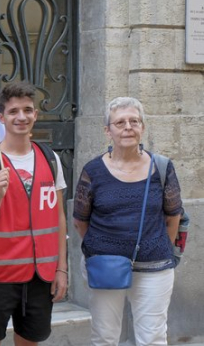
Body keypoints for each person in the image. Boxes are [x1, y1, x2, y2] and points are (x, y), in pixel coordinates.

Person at [73, 96, 182, 346]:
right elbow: (81, 220)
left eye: (134, 121)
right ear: (107, 131)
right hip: (105, 267)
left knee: (152, 337)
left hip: (155, 268)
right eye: (120, 122)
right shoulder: (94, 170)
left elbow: (172, 215)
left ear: (142, 127)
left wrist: (158, 245)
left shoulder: (162, 167)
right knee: (104, 336)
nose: (128, 127)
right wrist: (103, 248)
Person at [0, 81, 68, 346]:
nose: (21, 117)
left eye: (27, 110)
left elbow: (58, 218)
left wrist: (62, 269)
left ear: (36, 114)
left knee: (29, 341)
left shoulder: (50, 159)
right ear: (1, 117)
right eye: (13, 111)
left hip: (39, 275)